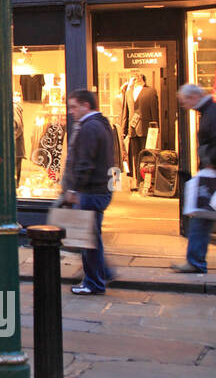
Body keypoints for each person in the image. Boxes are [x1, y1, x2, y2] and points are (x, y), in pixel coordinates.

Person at [175, 83, 216, 274]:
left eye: (184, 101)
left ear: (194, 97)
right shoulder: (210, 112)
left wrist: (211, 162)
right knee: (213, 216)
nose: (184, 105)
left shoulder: (213, 113)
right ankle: (195, 261)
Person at [60, 89, 116, 295]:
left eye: (74, 107)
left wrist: (75, 188)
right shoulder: (99, 124)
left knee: (88, 239)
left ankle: (94, 282)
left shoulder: (90, 128)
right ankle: (102, 273)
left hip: (90, 191)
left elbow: (85, 162)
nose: (71, 112)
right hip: (97, 190)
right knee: (89, 237)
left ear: (86, 105)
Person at [120, 73, 160, 192]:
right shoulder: (128, 92)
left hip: (146, 129)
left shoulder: (151, 91)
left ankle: (147, 182)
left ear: (142, 78)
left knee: (147, 157)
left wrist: (155, 128)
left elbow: (154, 110)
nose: (135, 78)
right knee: (134, 157)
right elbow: (125, 112)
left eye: (137, 76)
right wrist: (123, 130)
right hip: (132, 130)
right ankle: (136, 181)